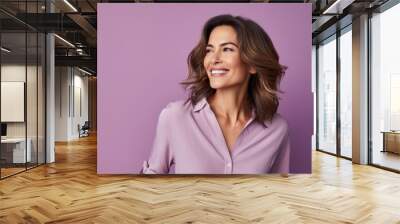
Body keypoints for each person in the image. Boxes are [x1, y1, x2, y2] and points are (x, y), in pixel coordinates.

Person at [142, 14, 290, 174]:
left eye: (227, 49)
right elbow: (150, 184)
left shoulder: (277, 129)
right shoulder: (175, 117)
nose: (213, 59)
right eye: (209, 50)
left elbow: (277, 192)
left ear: (252, 65)